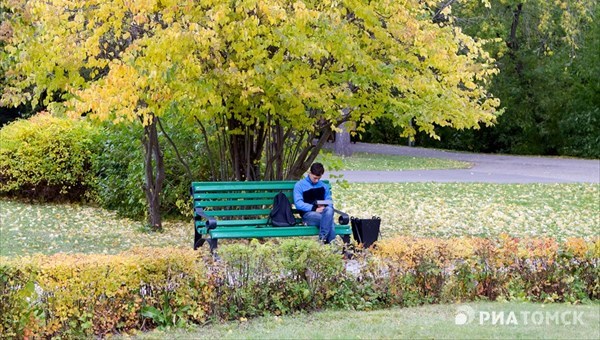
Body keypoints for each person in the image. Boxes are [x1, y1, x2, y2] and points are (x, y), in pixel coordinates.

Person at [293, 162, 336, 244]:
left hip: (324, 213)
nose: (316, 181)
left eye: (318, 178)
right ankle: (329, 245)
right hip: (308, 215)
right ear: (309, 173)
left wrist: (324, 206)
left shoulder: (324, 186)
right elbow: (298, 204)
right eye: (314, 178)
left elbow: (329, 202)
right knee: (330, 222)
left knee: (329, 210)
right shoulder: (300, 185)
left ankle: (322, 239)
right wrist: (314, 208)